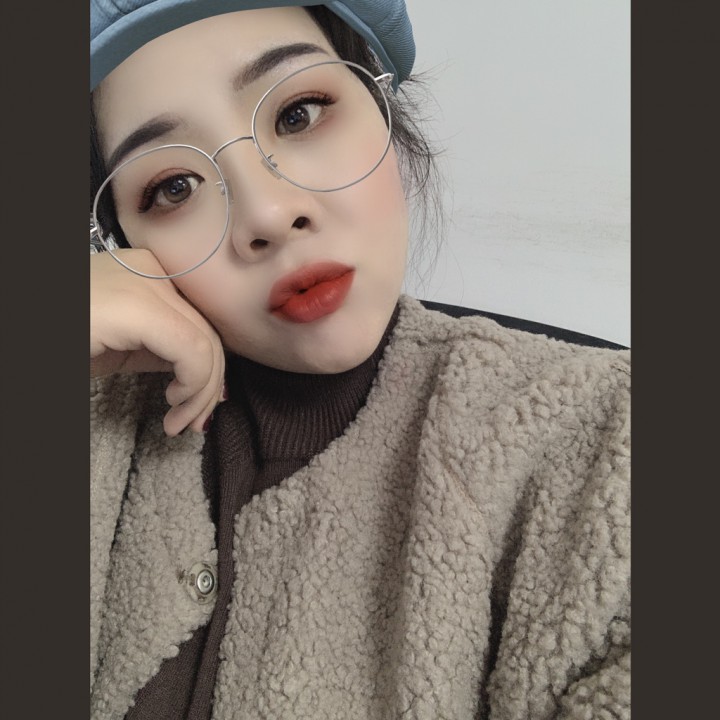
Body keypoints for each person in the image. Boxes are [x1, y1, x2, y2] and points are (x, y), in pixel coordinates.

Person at [90, 2, 631, 719]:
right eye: (173, 187)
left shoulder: (604, 443)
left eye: (299, 114)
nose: (268, 215)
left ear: (382, 108)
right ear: (118, 245)